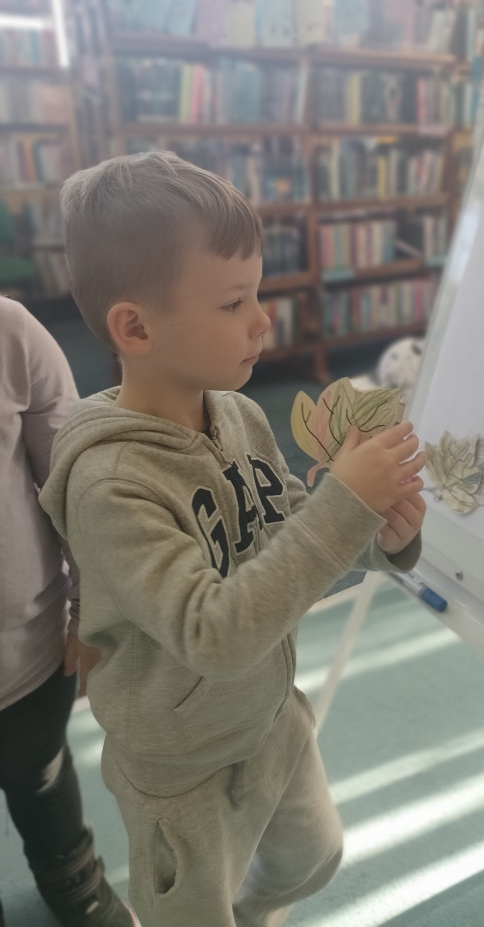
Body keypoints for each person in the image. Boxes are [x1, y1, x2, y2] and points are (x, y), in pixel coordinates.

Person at [40, 151, 426, 927]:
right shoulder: (110, 483)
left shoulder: (240, 414)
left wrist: (377, 535)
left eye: (257, 292)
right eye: (232, 302)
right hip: (179, 767)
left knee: (314, 857)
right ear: (136, 327)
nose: (262, 319)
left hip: (270, 718)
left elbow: (290, 538)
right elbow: (213, 634)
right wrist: (345, 504)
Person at [0, 296, 137, 927]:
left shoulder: (10, 332)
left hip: (27, 654)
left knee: (42, 773)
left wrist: (89, 613)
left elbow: (75, 485)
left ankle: (72, 879)